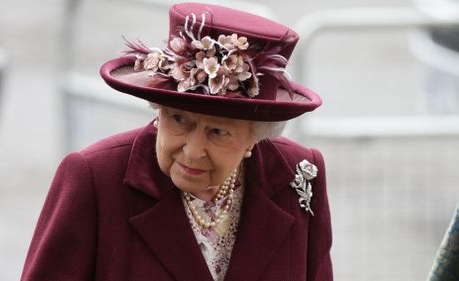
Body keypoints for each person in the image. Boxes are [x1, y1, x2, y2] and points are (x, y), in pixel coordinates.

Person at [21, 2, 333, 280]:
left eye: (218, 131)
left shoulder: (298, 174)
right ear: (159, 111)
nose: (193, 150)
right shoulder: (95, 178)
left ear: (256, 135)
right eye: (179, 120)